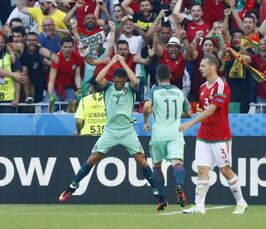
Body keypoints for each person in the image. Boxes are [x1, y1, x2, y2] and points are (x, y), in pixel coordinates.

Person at [59, 54, 157, 202]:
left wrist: (123, 63)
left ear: (124, 80)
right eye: (116, 81)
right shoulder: (108, 87)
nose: (118, 84)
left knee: (142, 161)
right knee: (92, 159)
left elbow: (136, 81)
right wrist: (111, 62)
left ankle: (156, 192)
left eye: (121, 81)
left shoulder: (129, 88)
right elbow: (98, 79)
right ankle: (72, 186)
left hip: (127, 131)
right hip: (110, 130)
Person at [179, 54, 248, 214]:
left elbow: (211, 110)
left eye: (203, 65)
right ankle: (199, 206)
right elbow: (204, 110)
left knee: (225, 170)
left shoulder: (222, 85)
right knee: (202, 170)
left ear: (212, 67)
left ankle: (241, 202)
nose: (200, 68)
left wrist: (190, 123)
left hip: (220, 136)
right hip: (204, 135)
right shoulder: (203, 87)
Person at [143, 64, 192, 211]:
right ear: (170, 76)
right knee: (177, 163)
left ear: (157, 77)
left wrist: (146, 122)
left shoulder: (153, 91)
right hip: (175, 132)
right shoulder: (179, 92)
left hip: (158, 133)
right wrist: (177, 115)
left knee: (157, 165)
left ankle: (162, 199)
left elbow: (146, 108)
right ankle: (179, 186)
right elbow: (189, 113)